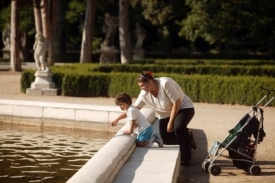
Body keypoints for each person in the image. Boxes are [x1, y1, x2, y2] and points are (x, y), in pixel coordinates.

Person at [134, 71, 196, 166]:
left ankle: (186, 158)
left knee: (178, 128)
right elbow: (135, 109)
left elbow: (177, 102)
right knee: (166, 139)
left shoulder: (166, 83)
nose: (141, 88)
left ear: (149, 82)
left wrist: (170, 122)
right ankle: (188, 137)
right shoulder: (144, 93)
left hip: (184, 108)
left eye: (142, 85)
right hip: (165, 114)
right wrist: (118, 119)